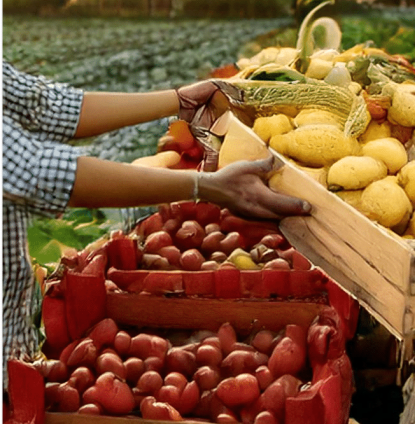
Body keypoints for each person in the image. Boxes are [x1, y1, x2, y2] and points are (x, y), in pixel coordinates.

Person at [2, 59, 312, 390]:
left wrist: (180, 101)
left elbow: (46, 106)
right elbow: (36, 172)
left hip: (14, 358)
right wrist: (203, 187)